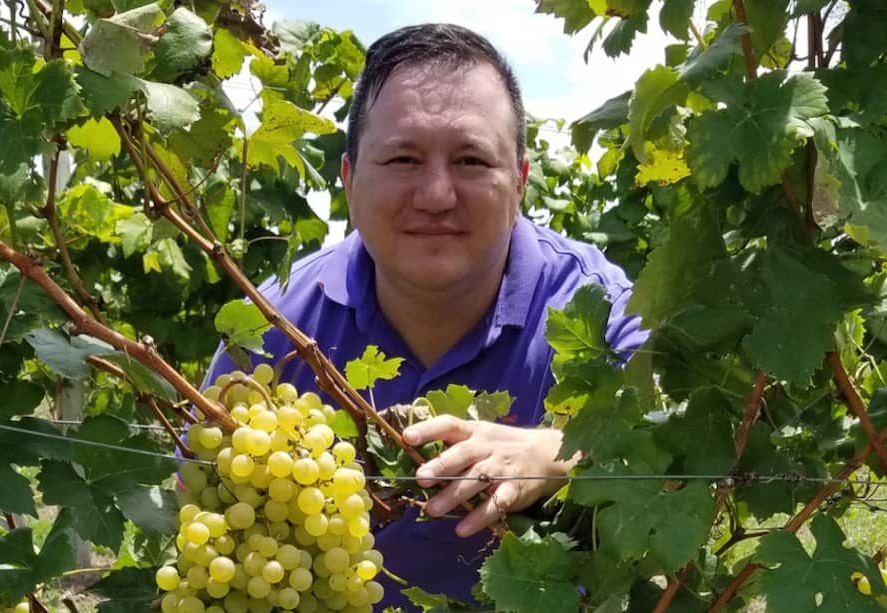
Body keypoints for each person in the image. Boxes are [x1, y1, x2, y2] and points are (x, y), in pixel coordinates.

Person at [205, 23, 647, 608]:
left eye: (471, 160)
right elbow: (208, 505)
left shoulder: (596, 308)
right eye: (403, 158)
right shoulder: (270, 331)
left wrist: (556, 454)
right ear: (349, 181)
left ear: (519, 181)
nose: (437, 194)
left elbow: (684, 450)